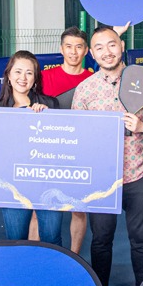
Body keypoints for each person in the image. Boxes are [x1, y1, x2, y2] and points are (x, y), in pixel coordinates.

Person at [72, 25, 143, 286]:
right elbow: (77, 135)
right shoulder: (85, 89)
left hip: (139, 172)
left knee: (140, 238)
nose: (107, 52)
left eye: (112, 45)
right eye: (99, 47)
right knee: (101, 239)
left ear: (122, 46)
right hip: (102, 179)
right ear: (91, 53)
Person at [0, 51, 62, 246]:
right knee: (16, 240)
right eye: (18, 72)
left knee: (52, 239)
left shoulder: (50, 104)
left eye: (29, 73)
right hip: (13, 187)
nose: (23, 78)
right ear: (9, 75)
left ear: (35, 79)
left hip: (47, 185)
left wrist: (48, 119)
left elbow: (61, 147)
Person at [41, 27, 93, 254]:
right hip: (47, 153)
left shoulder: (93, 80)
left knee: (78, 209)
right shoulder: (44, 78)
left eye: (79, 47)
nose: (73, 52)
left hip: (79, 154)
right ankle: (37, 255)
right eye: (69, 46)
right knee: (39, 208)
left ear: (86, 50)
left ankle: (74, 257)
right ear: (61, 49)